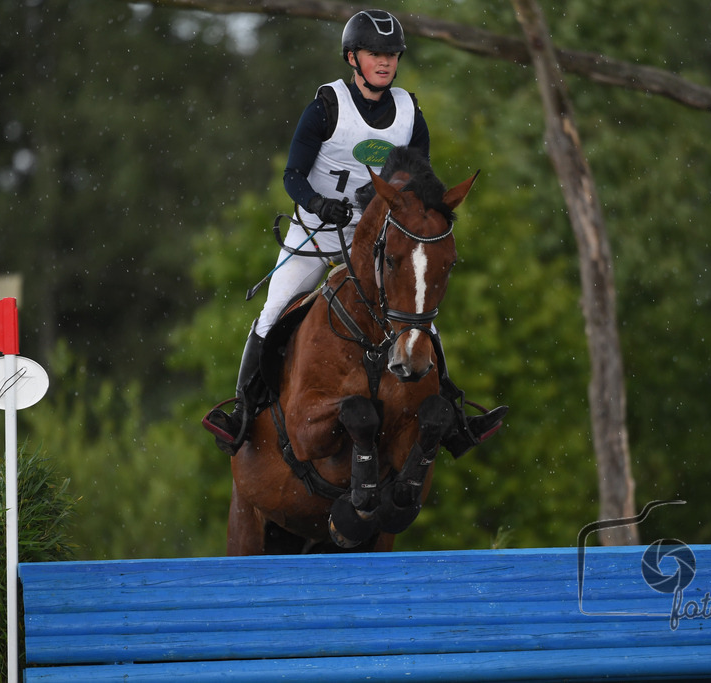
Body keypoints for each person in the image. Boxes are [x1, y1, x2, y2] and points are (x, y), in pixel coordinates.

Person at [203, 9, 506, 457]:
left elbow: (419, 184)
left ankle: (455, 417)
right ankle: (243, 413)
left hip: (377, 240)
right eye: (374, 53)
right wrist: (319, 203)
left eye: (391, 54)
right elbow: (292, 176)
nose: (384, 62)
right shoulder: (327, 106)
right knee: (272, 311)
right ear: (352, 57)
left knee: (423, 321)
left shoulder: (408, 112)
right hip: (318, 233)